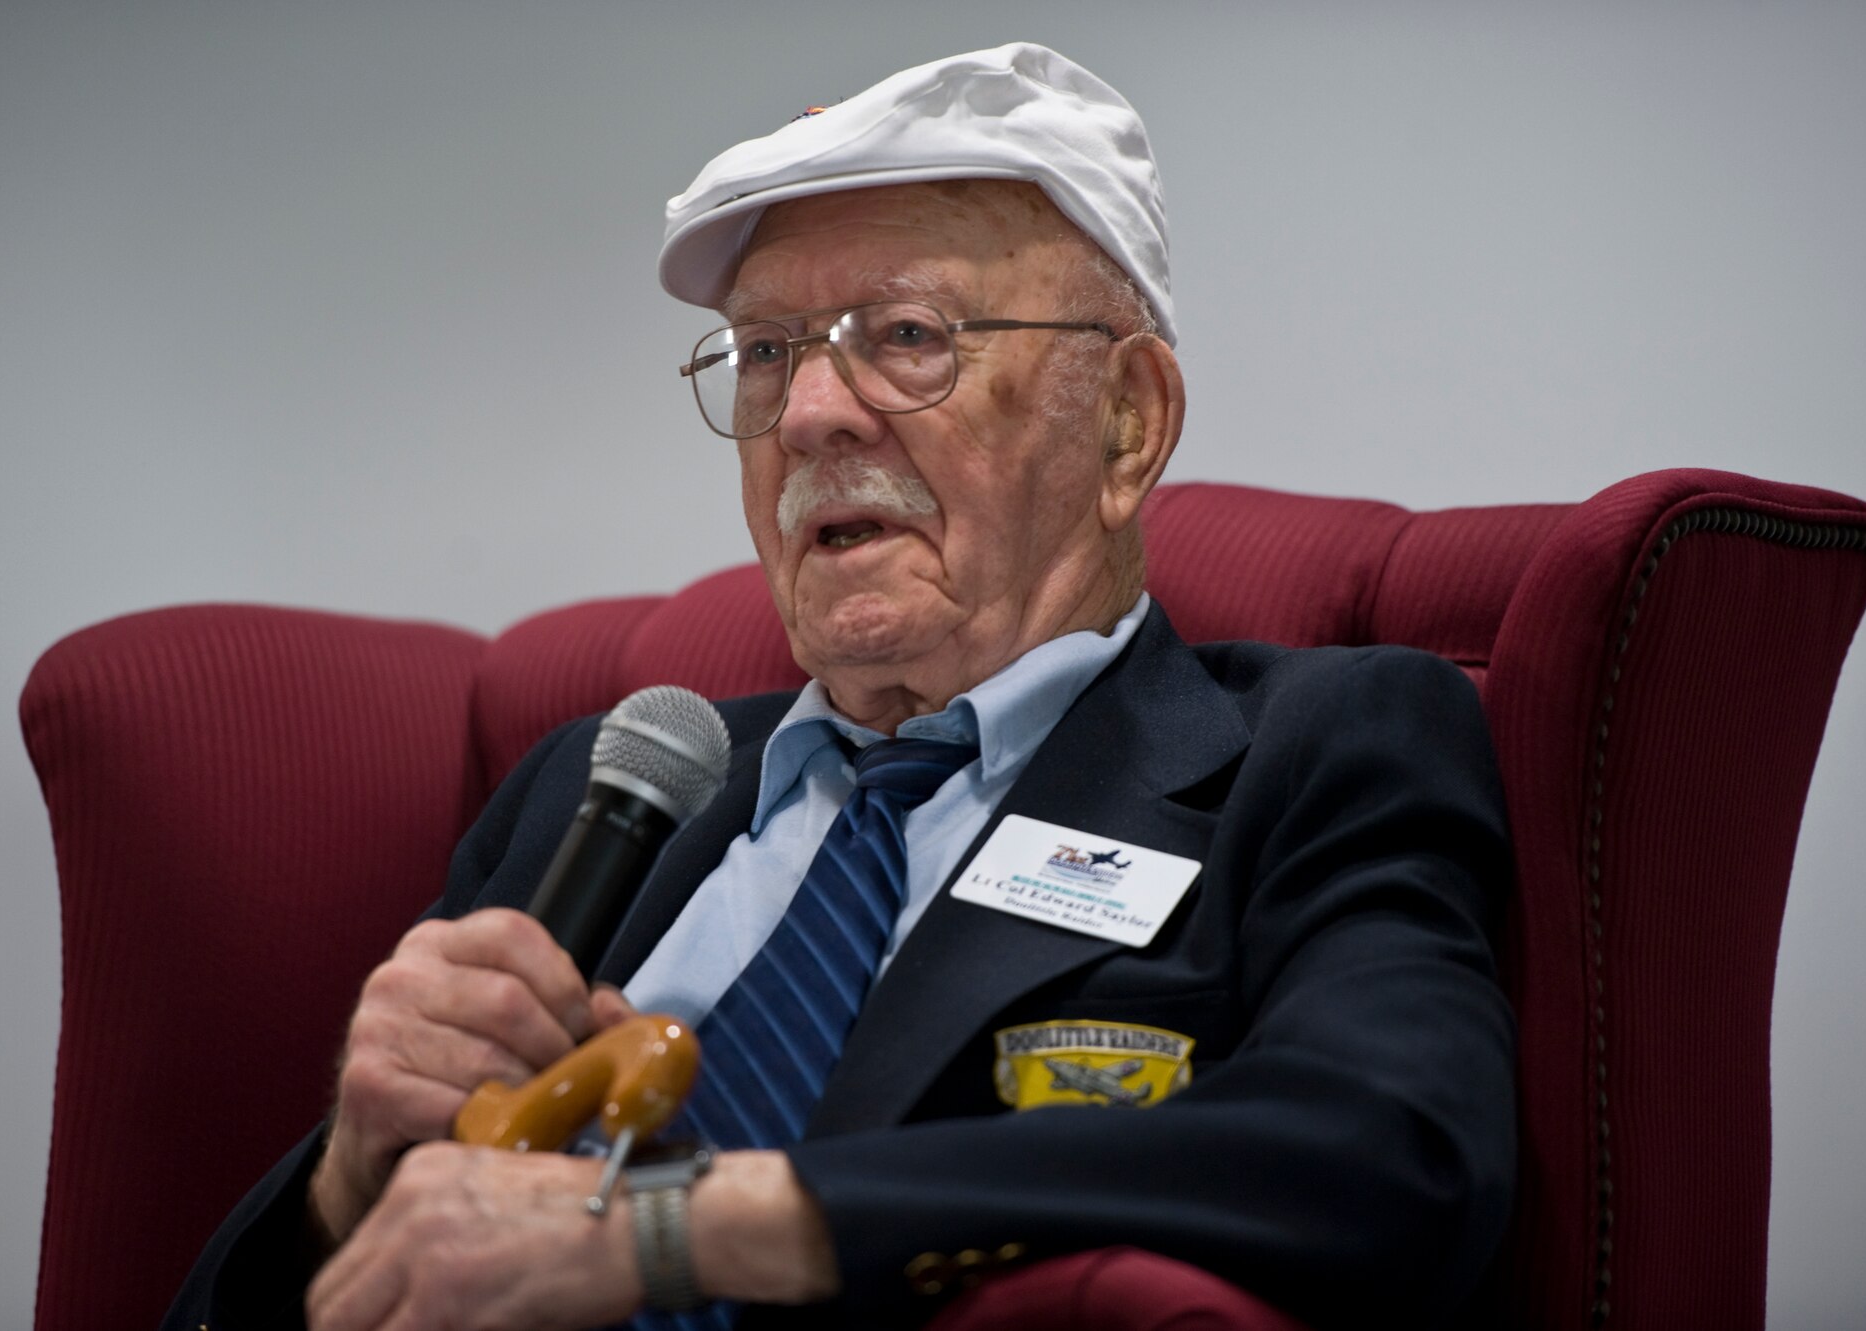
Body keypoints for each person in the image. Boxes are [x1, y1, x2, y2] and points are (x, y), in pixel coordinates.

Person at [163, 43, 1516, 1331]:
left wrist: (677, 1228)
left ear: (1126, 421)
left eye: (907, 334)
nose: (809, 414)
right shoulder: (600, 787)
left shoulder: (1315, 751)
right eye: (765, 353)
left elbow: (1396, 1158)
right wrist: (353, 1176)